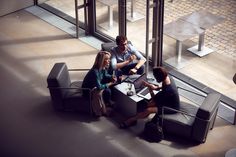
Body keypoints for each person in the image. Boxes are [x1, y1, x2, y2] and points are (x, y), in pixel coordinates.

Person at [82, 51, 117, 116]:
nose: (109, 61)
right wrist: (111, 83)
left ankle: (105, 104)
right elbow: (99, 87)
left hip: (95, 86)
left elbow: (105, 75)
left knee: (107, 90)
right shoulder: (95, 72)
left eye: (109, 59)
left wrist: (111, 77)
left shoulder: (102, 68)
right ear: (102, 60)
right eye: (107, 59)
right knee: (99, 91)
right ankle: (101, 110)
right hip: (88, 90)